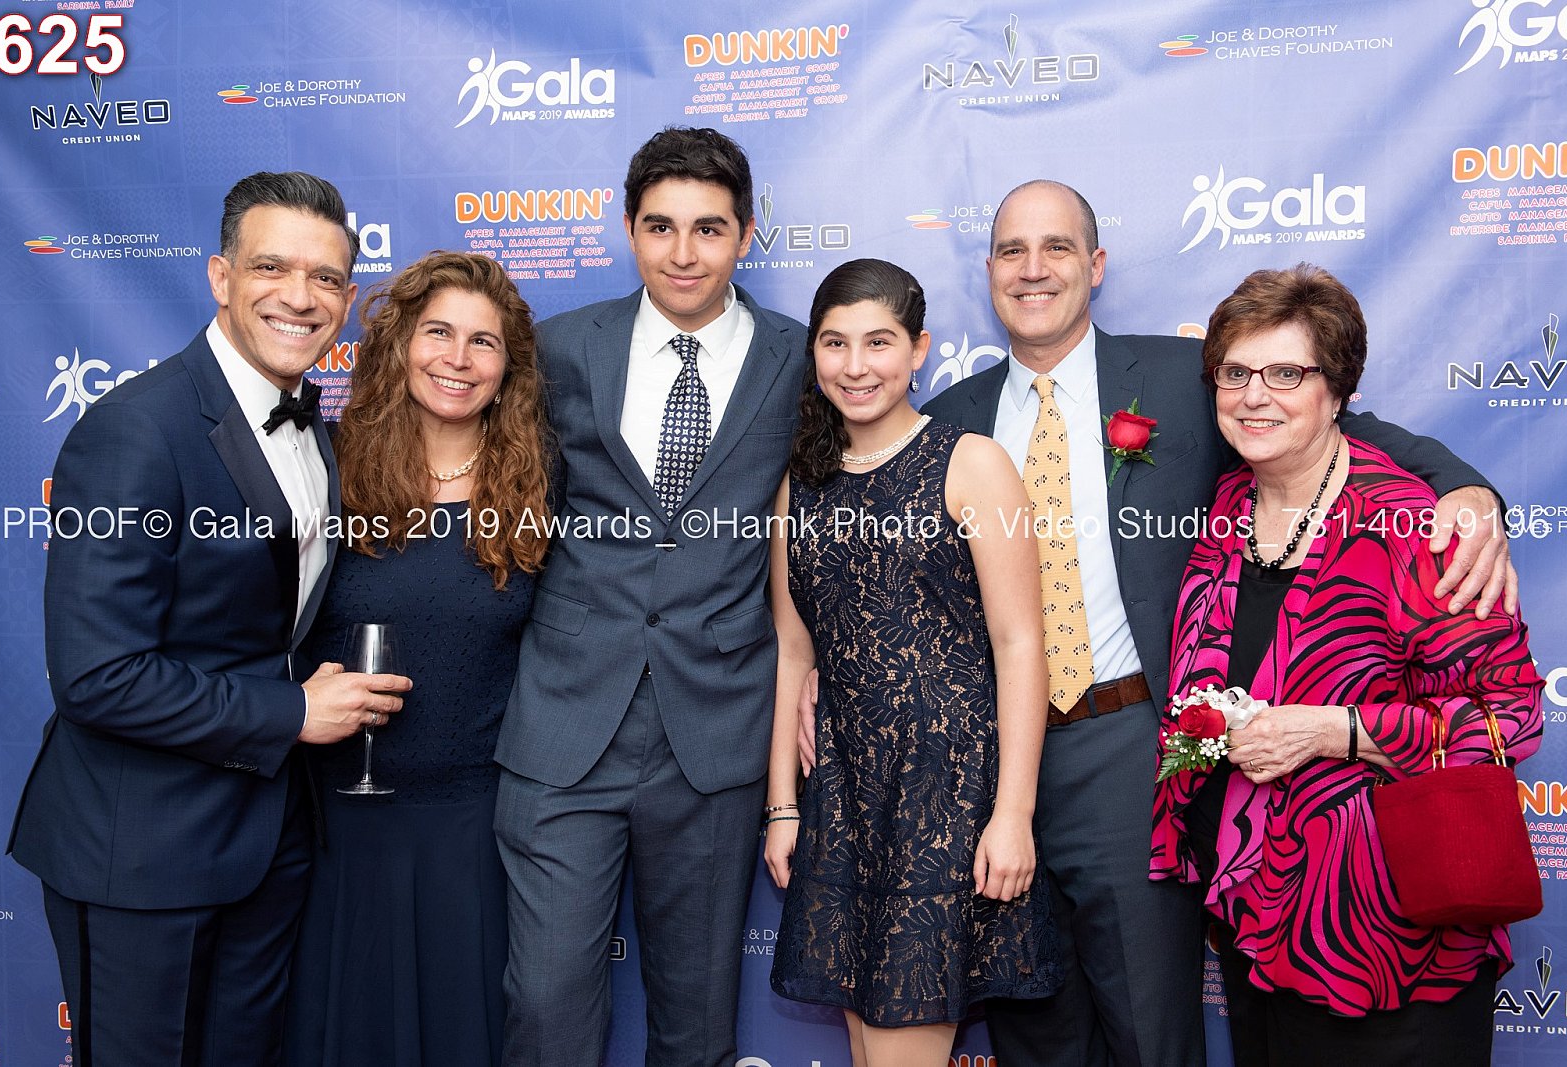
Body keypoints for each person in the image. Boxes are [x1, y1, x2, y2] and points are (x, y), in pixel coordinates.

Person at [905, 180, 1514, 1067]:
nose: (1033, 269)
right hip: (993, 762)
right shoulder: (949, 418)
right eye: (1011, 250)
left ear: (1096, 265)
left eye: (1057, 247)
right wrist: (812, 670)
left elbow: (1337, 425)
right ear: (988, 268)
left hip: (1134, 747)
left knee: (1151, 1029)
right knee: (1031, 1022)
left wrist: (1467, 489)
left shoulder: (1192, 379)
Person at [7, 171, 411, 1067]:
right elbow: (96, 675)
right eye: (272, 267)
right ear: (220, 277)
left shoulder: (320, 433)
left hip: (268, 843)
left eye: (325, 277)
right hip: (141, 853)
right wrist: (293, 711)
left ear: (347, 298)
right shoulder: (136, 430)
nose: (300, 297)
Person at [1149, 263, 1542, 1065]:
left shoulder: (1415, 528)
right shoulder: (1227, 507)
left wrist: (1334, 731)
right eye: (1235, 372)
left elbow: (1511, 714)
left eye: (1285, 373)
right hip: (1256, 917)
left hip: (1390, 935)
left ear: (1337, 390)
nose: (1254, 396)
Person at [493, 127, 808, 1065]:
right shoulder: (559, 348)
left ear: (745, 234)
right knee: (545, 1003)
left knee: (696, 1017)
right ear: (628, 229)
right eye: (661, 226)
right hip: (565, 717)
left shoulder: (801, 359)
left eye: (709, 228)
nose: (683, 253)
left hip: (715, 726)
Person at [763, 259, 1062, 1066]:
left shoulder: (972, 462)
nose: (855, 365)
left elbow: (1020, 644)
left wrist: (1013, 813)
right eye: (835, 343)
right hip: (844, 801)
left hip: (946, 801)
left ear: (919, 349)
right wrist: (783, 806)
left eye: (879, 342)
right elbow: (794, 651)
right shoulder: (801, 485)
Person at [285, 251, 552, 1066]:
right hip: (341, 825)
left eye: (483, 341)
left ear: (509, 369)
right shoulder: (327, 468)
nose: (457, 358)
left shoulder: (539, 486)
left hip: (473, 830)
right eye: (438, 332)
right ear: (400, 344)